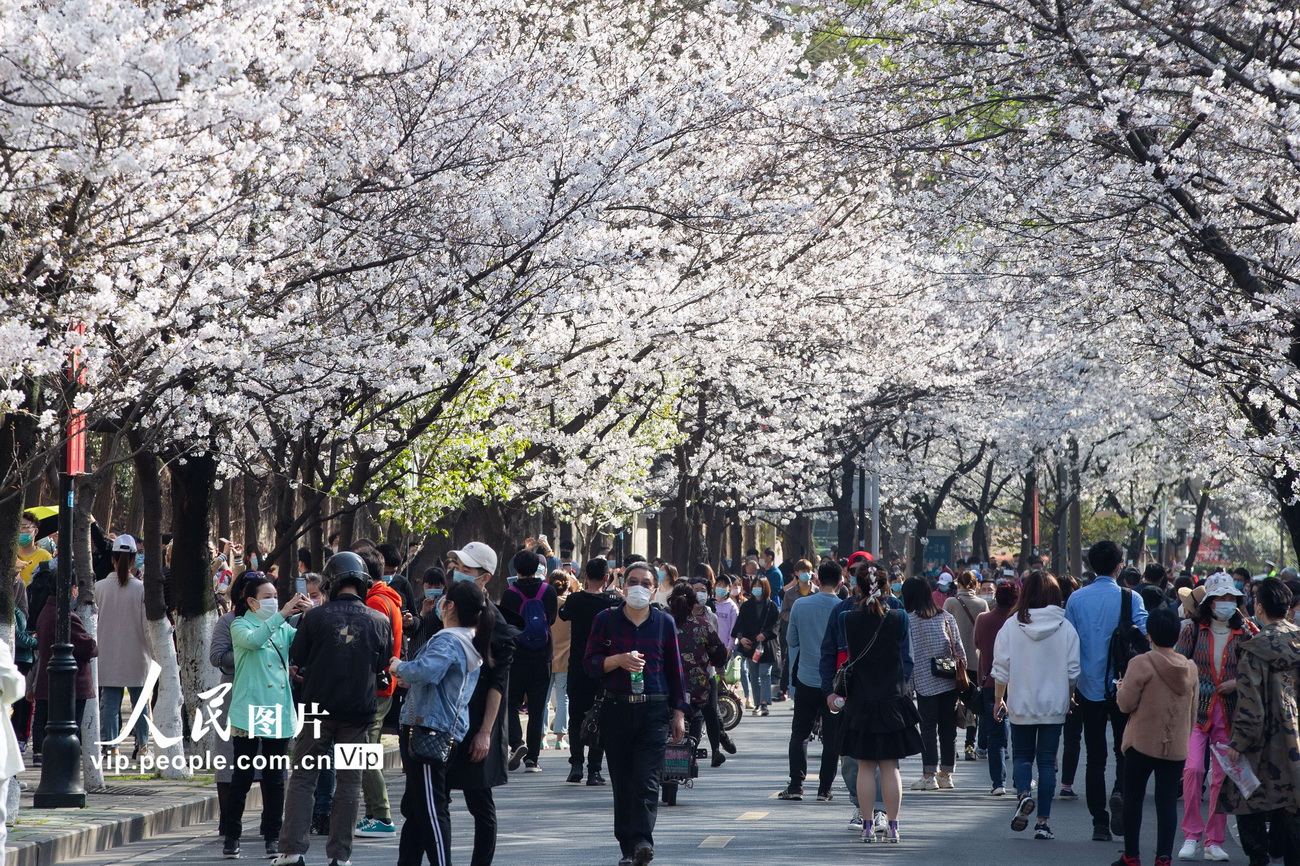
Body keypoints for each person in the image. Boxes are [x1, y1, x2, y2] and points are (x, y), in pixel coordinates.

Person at [273, 552, 392, 866]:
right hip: (361, 715)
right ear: (363, 582)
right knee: (350, 782)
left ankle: (291, 851)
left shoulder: (313, 617)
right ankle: (340, 857)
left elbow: (299, 659)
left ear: (331, 582)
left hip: (315, 711)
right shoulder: (379, 620)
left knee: (302, 778)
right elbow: (383, 665)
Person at [583, 561, 688, 866]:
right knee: (623, 780)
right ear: (622, 584)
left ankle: (642, 840)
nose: (638, 587)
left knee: (646, 779)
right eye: (633, 581)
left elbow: (675, 671)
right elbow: (589, 664)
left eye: (645, 583)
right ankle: (628, 848)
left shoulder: (664, 622)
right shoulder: (606, 620)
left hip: (654, 710)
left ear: (655, 589)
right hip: (615, 708)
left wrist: (678, 712)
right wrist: (616, 660)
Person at [389, 580, 494, 866]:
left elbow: (425, 672)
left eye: (442, 600)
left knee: (432, 811)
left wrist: (399, 667)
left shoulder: (450, 639)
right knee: (416, 808)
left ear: (451, 606)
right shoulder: (469, 639)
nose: (438, 605)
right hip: (440, 730)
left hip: (426, 730)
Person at [1065, 539, 1149, 842]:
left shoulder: (1076, 599)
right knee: (1124, 749)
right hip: (1124, 687)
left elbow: (1068, 644)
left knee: (1095, 756)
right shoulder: (1131, 599)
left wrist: (1069, 687)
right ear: (1119, 566)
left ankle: (1099, 822)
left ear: (1089, 566)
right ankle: (1119, 792)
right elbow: (1145, 641)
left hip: (1087, 688)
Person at [831, 563, 921, 843]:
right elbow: (906, 657)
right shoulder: (900, 617)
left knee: (866, 766)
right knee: (890, 766)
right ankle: (893, 826)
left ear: (856, 587)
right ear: (886, 587)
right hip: (893, 699)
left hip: (861, 700)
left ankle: (867, 825)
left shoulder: (847, 618)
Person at [443, 542, 517, 866]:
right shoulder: (443, 608)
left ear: (484, 578)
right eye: (455, 564)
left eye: (465, 568)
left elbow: (498, 683)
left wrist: (485, 732)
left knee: (480, 803)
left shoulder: (495, 623)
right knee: (433, 802)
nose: (456, 572)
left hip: (474, 724)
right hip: (440, 724)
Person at [992, 571, 1081, 841]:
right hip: (1054, 704)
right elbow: (1073, 670)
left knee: (1021, 757)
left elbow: (1001, 667)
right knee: (1045, 763)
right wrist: (1069, 695)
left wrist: (999, 698)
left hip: (1021, 702)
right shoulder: (1065, 627)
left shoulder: (1011, 625)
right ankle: (1043, 822)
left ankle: (1023, 796)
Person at [227, 575, 309, 859]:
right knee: (243, 776)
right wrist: (283, 614)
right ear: (251, 601)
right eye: (267, 596)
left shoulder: (283, 628)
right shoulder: (240, 625)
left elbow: (305, 642)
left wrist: (312, 615)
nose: (274, 601)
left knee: (274, 779)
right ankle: (232, 835)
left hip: (278, 710)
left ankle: (273, 836)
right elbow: (254, 641)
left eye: (276, 595)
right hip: (251, 710)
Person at [1221, 579, 1300, 866]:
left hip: (1262, 744)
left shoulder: (1254, 649)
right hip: (1295, 743)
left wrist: (1238, 742)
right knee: (1291, 806)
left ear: (1259, 607)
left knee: (1249, 801)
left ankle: (1260, 857)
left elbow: (1250, 705)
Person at [1174, 572, 1251, 861]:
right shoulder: (1193, 630)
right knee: (1193, 770)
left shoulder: (1244, 633)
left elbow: (1252, 674)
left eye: (1232, 598)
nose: (1227, 603)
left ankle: (1214, 840)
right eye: (1222, 598)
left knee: (1221, 778)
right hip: (1197, 710)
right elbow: (1178, 665)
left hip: (1229, 713)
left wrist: (1237, 683)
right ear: (1210, 602)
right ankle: (1191, 834)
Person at [1112, 608, 1197, 866]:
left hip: (1141, 743)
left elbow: (1126, 704)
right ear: (1177, 634)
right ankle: (1163, 857)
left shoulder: (1141, 663)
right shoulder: (1190, 668)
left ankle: (1132, 856)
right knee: (1167, 802)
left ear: (1149, 635)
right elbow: (1193, 712)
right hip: (1176, 746)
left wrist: (1121, 689)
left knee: (1134, 798)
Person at [779, 560, 844, 801]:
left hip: (806, 677)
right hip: (835, 684)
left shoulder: (800, 605)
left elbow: (792, 640)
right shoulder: (843, 608)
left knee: (800, 733)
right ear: (841, 582)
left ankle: (796, 785)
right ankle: (825, 789)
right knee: (832, 737)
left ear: (817, 579)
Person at [94, 534, 155, 764]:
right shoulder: (141, 590)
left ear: (112, 559)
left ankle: (112, 748)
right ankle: (142, 747)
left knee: (109, 704)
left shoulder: (98, 588)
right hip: (138, 656)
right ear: (132, 561)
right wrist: (155, 653)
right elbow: (147, 627)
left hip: (106, 655)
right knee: (140, 705)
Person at [560, 559, 620, 785]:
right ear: (607, 577)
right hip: (604, 668)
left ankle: (576, 764)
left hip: (577, 667)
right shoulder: (612, 602)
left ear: (585, 575)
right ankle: (594, 770)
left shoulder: (575, 600)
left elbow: (563, 614)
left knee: (576, 718)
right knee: (601, 718)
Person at [901, 576, 964, 790]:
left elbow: (907, 657)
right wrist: (961, 673)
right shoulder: (945, 617)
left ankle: (929, 776)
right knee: (948, 727)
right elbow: (959, 649)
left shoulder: (908, 620)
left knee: (928, 729)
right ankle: (946, 774)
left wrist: (907, 687)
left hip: (924, 682)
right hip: (949, 680)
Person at [499, 549, 558, 773]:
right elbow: (550, 619)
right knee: (537, 707)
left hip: (516, 655)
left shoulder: (510, 593)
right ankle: (532, 759)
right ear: (538, 568)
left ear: (516, 569)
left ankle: (517, 743)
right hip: (543, 655)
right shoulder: (548, 590)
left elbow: (506, 625)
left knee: (510, 703)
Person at [666, 583, 727, 780]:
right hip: (695, 690)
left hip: (664, 689)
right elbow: (719, 654)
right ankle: (691, 750)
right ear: (694, 603)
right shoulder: (703, 626)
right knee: (697, 716)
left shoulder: (661, 623)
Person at [973, 581, 1019, 795]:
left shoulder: (983, 619)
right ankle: (1020, 780)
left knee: (994, 736)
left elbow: (976, 644)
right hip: (1018, 683)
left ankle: (998, 783)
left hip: (989, 681)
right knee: (1020, 734)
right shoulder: (1020, 621)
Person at [944, 570, 988, 761]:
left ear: (958, 584)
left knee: (951, 704)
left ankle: (951, 746)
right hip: (975, 661)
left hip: (954, 662)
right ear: (975, 584)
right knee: (973, 704)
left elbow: (944, 630)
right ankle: (970, 746)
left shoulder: (950, 603)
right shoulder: (982, 604)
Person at [733, 576, 778, 716]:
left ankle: (764, 703)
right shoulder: (747, 606)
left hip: (767, 645)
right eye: (755, 586)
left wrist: (765, 634)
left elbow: (776, 625)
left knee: (765, 673)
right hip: (751, 646)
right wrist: (741, 638)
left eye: (760, 586)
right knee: (753, 675)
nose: (757, 588)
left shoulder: (771, 606)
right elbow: (739, 624)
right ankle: (757, 703)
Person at [547, 570, 574, 751]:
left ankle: (541, 738)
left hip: (546, 656)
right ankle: (559, 738)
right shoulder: (569, 606)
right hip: (565, 657)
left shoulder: (545, 605)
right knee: (563, 698)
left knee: (544, 698)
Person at [14, 512, 50, 587]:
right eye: (17, 527)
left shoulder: (45, 556)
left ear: (36, 531)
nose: (20, 531)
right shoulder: (9, 555)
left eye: (24, 527)